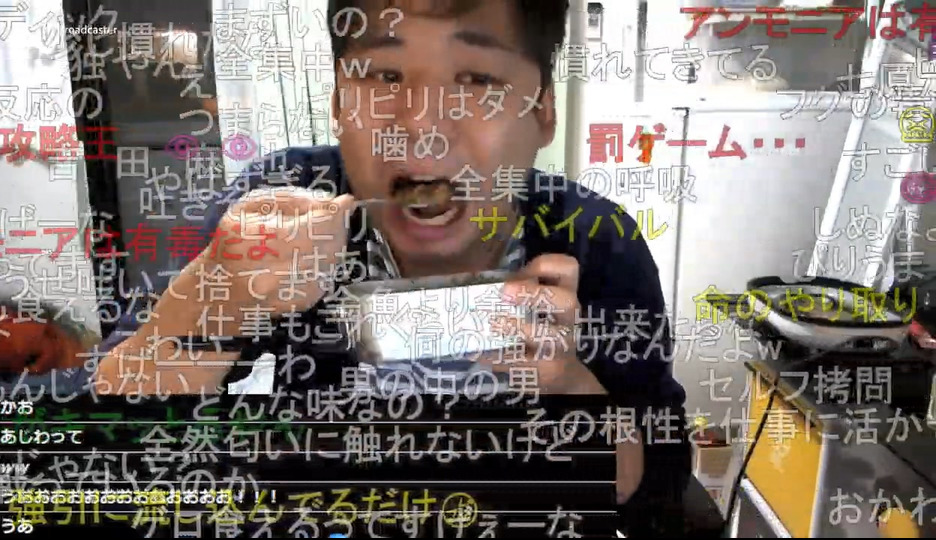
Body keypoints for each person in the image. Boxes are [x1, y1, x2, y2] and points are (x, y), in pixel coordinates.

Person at [92, 0, 692, 535]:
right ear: (337, 101)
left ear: (542, 113)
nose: (421, 127)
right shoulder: (273, 203)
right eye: (385, 76)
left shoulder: (596, 239)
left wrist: (572, 389)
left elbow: (655, 489)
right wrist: (214, 302)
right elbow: (108, 455)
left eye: (477, 80)